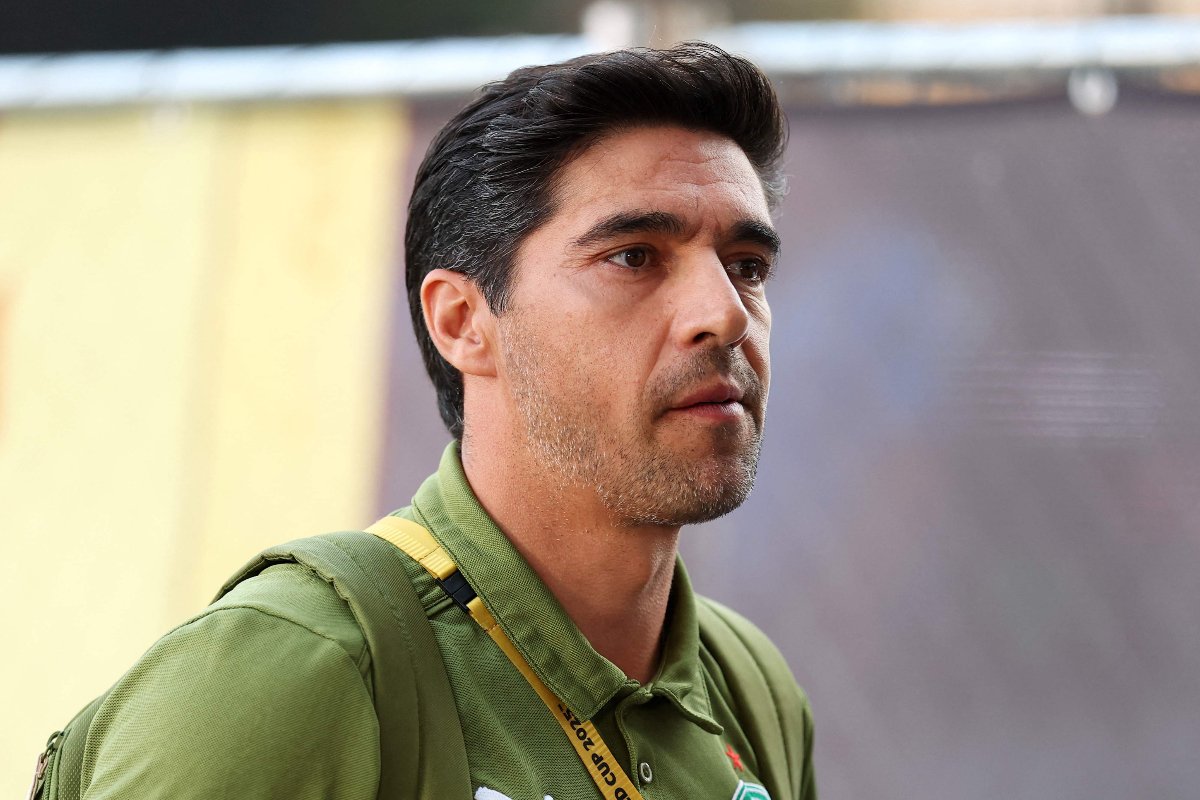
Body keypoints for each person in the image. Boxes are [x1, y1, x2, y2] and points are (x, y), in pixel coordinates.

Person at [76, 42, 815, 800]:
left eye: (747, 265)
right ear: (462, 321)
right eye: (634, 257)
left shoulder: (750, 688)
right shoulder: (292, 673)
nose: (726, 313)